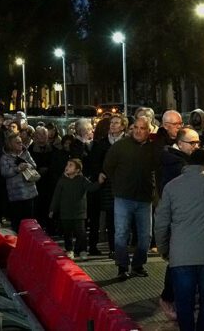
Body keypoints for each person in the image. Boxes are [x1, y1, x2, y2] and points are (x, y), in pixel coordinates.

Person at [155, 148, 204, 331]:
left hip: (180, 255)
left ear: (188, 164)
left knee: (184, 303)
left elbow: (161, 222)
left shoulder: (172, 186)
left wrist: (163, 248)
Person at [102, 115, 159, 279]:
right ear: (132, 128)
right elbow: (108, 167)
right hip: (123, 197)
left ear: (148, 131)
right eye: (136, 127)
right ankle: (122, 266)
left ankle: (138, 265)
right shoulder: (120, 147)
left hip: (144, 198)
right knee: (121, 233)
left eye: (143, 128)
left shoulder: (152, 149)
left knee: (145, 235)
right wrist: (119, 183)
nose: (139, 131)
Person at [158, 125, 200, 319]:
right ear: (180, 143)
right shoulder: (175, 164)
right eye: (192, 143)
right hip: (180, 218)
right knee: (177, 262)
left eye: (198, 142)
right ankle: (169, 297)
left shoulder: (182, 160)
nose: (197, 146)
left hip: (188, 219)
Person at [85, 114, 124, 255]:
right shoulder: (101, 143)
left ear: (123, 126)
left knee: (118, 218)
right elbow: (93, 162)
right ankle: (110, 247)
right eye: (111, 123)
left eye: (116, 123)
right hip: (105, 184)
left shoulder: (126, 142)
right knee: (109, 216)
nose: (113, 125)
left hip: (122, 184)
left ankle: (116, 247)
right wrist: (99, 173)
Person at [50, 158, 101, 259]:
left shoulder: (82, 180)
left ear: (77, 170)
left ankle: (82, 250)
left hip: (79, 212)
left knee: (81, 233)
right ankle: (69, 250)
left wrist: (99, 182)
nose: (67, 167)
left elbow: (91, 188)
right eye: (67, 165)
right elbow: (56, 196)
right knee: (67, 233)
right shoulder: (62, 181)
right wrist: (52, 209)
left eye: (70, 165)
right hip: (65, 212)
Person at [0, 133, 39, 231]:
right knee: (17, 221)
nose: (20, 144)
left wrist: (27, 165)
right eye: (17, 143)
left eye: (21, 142)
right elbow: (4, 173)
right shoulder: (5, 158)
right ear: (10, 144)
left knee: (29, 220)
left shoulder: (26, 153)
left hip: (29, 192)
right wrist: (17, 169)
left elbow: (34, 165)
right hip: (16, 194)